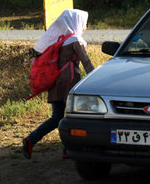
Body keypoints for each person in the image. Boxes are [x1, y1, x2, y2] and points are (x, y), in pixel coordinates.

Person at [22, 9, 95, 159]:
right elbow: (86, 61)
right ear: (77, 23)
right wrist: (96, 78)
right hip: (70, 83)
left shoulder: (58, 40)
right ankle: (67, 149)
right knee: (73, 117)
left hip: (55, 84)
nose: (85, 26)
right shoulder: (75, 40)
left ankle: (31, 139)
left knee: (57, 117)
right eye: (84, 23)